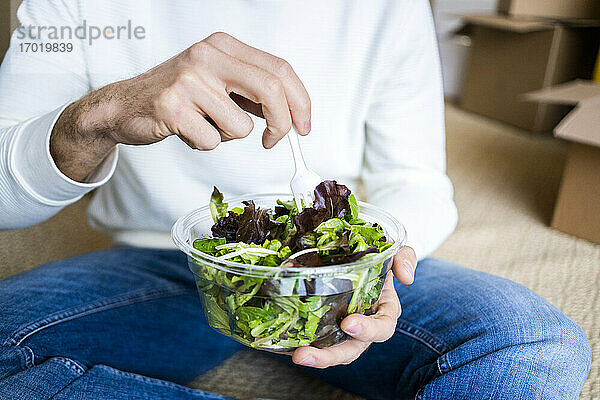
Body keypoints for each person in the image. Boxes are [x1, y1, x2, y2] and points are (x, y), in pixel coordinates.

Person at [0, 1, 591, 399]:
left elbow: (415, 179)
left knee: (531, 344)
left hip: (343, 275)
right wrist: (101, 115)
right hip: (161, 265)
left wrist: (378, 263)